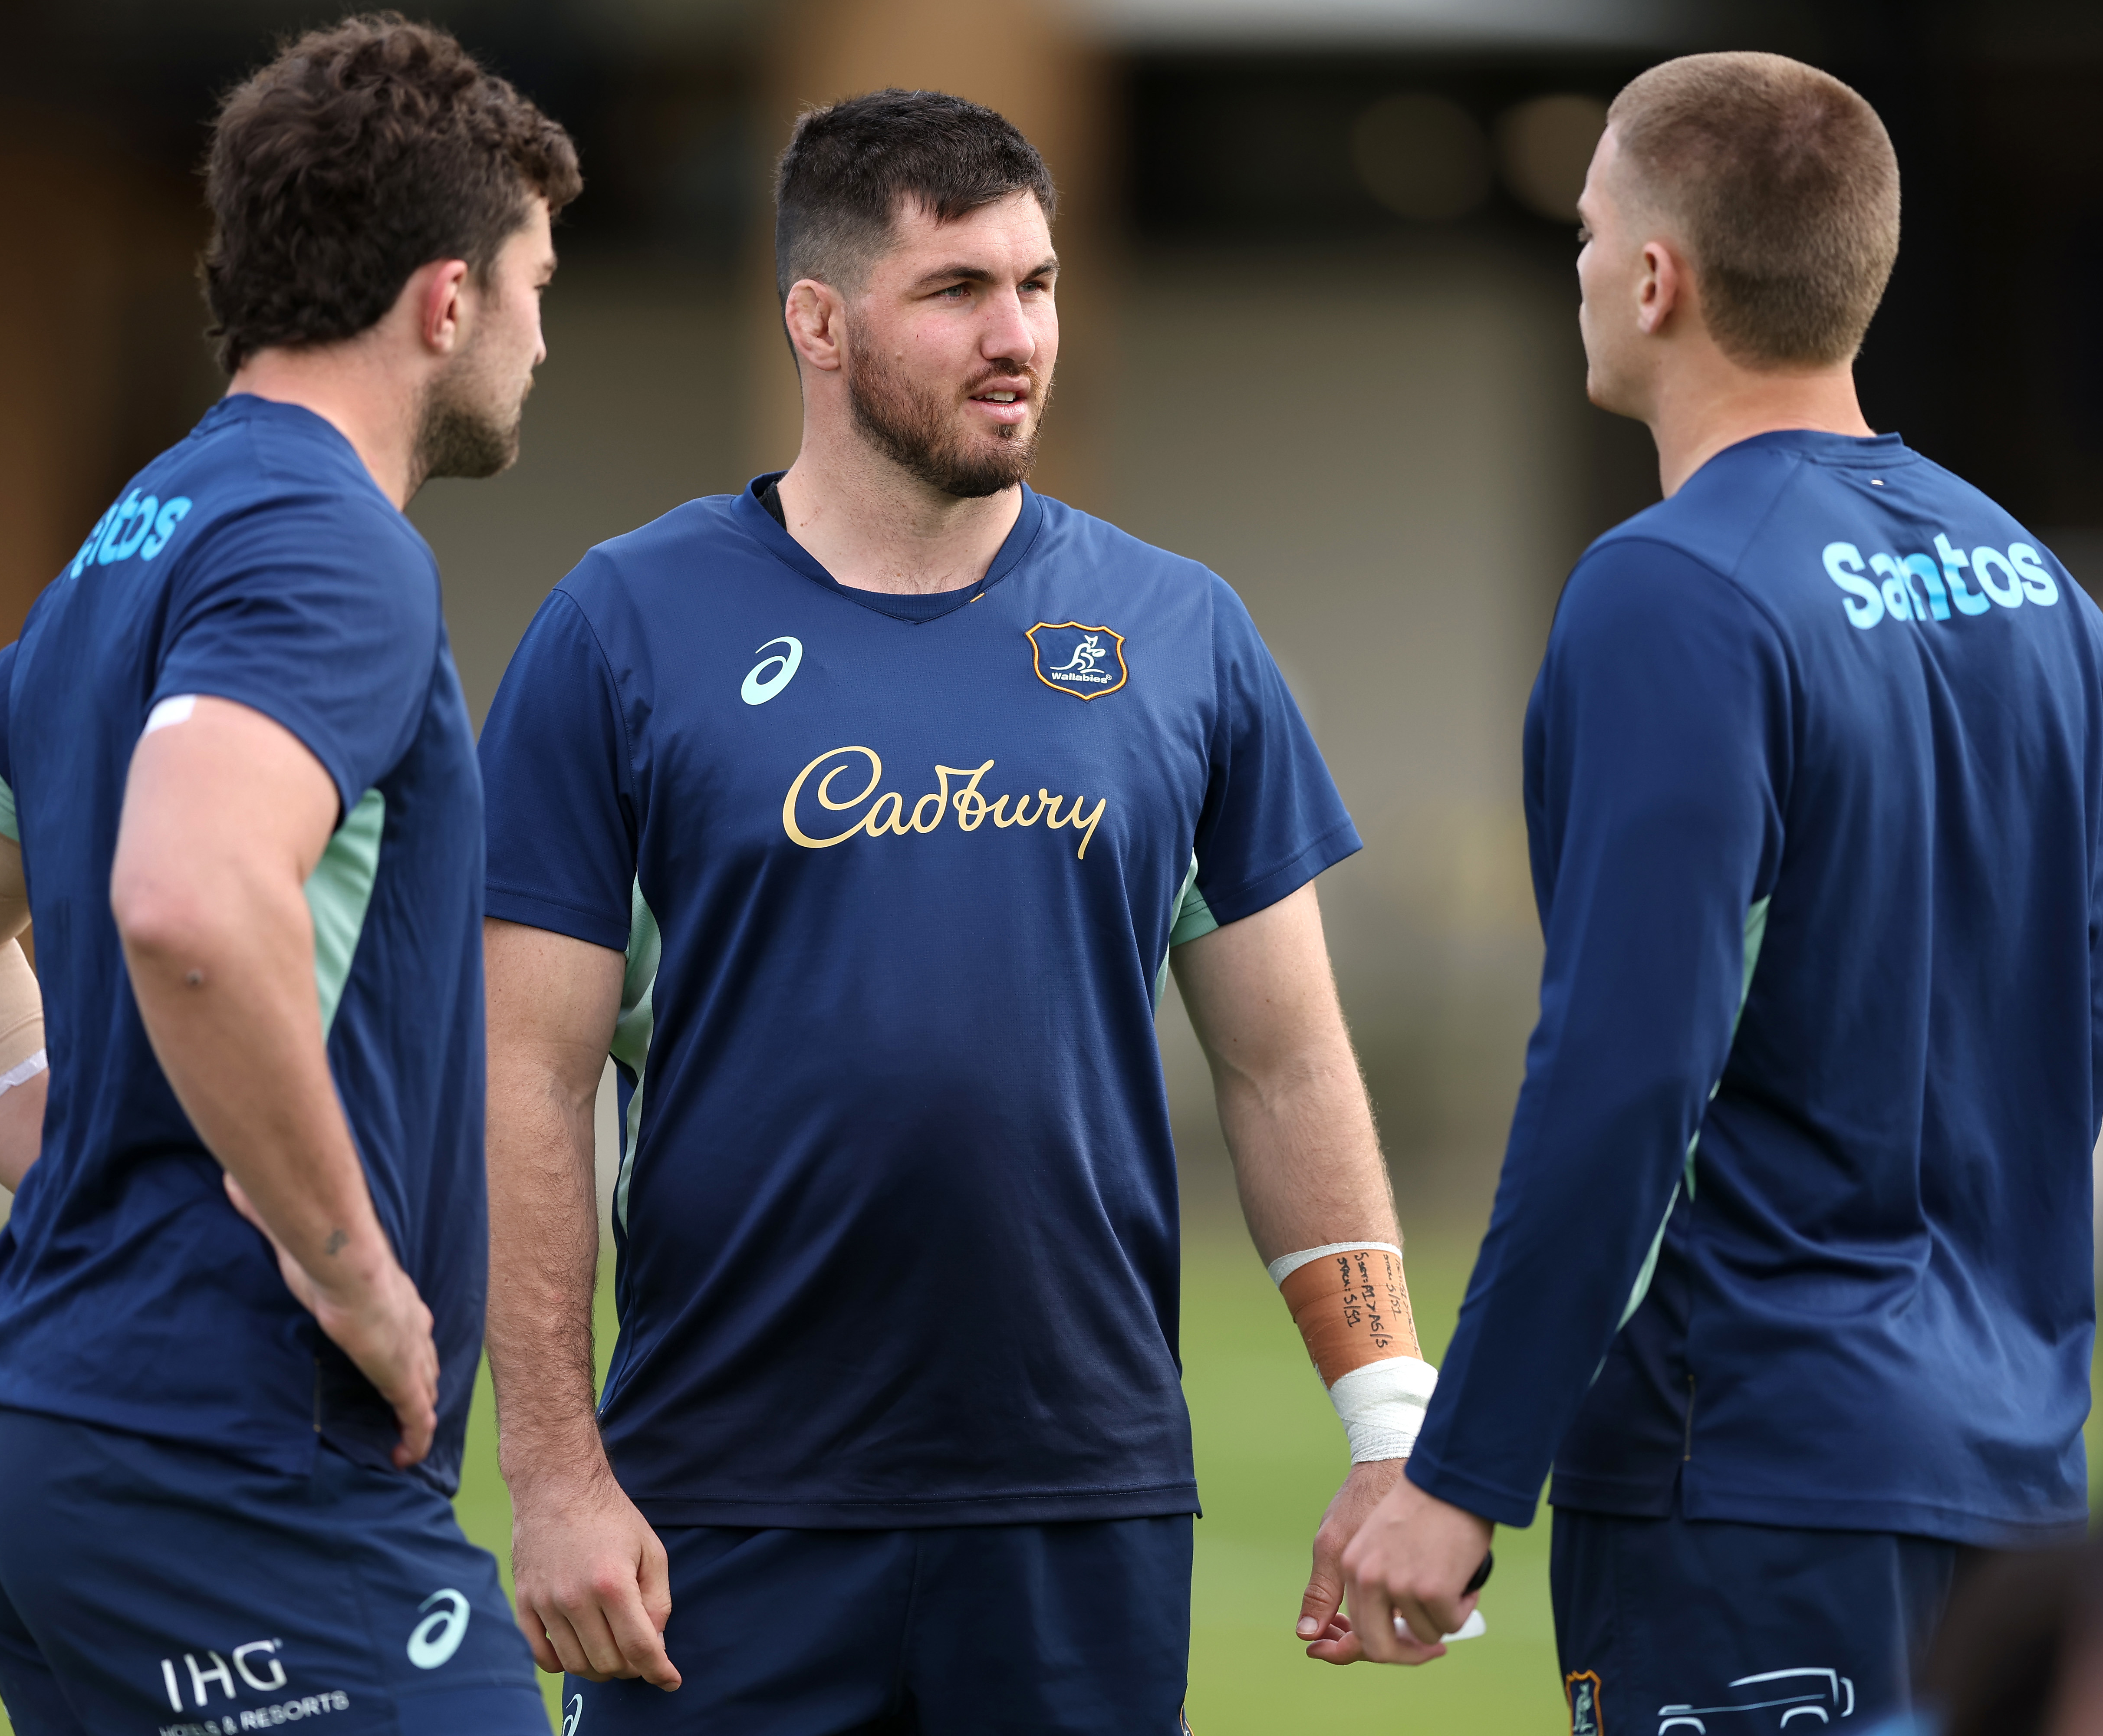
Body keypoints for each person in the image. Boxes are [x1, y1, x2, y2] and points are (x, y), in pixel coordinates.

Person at [478, 88, 1418, 1733]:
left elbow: (1286, 1066)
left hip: (1082, 1502)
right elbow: (524, 1074)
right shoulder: (622, 626)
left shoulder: (1181, 632)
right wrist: (556, 1477)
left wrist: (1391, 1421)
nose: (1019, 338)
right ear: (819, 323)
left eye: (1039, 285)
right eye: (958, 292)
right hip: (723, 1506)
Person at [1334, 51, 2103, 1730]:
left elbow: (1622, 1072)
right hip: (2013, 1473)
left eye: (1585, 223)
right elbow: (2084, 1030)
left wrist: (1462, 1472)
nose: (1576, 266)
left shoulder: (1672, 594)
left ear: (1652, 275)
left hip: (1757, 1479)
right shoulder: (2043, 593)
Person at [0, 17, 578, 1730]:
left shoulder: (135, 534)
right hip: (234, 1469)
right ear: (443, 300)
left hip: (54, 1445)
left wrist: (108, 1174)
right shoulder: (332, 548)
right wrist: (347, 1267)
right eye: (538, 279)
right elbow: (188, 897)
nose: (549, 330)